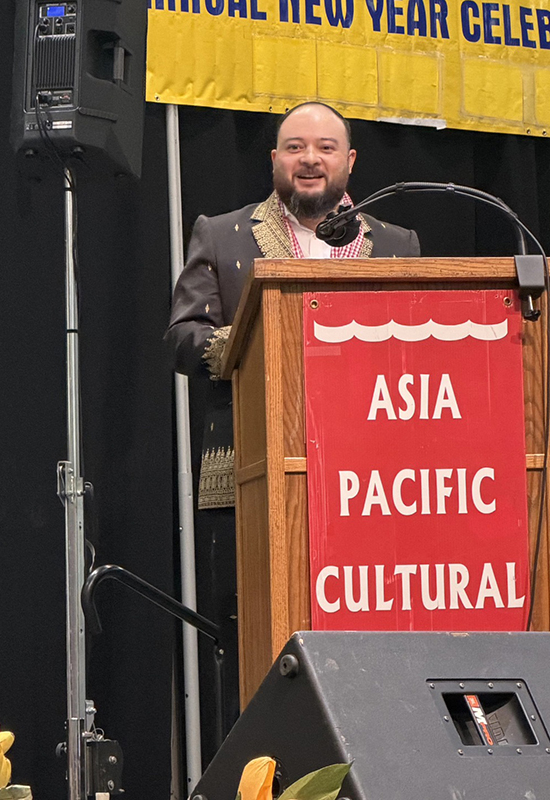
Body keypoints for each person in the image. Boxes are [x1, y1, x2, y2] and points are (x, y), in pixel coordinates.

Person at [165, 101, 420, 752]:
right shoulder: (223, 234)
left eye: (326, 148)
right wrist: (260, 340)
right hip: (249, 471)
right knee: (251, 637)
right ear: (274, 159)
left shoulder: (397, 244)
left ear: (349, 161)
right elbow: (182, 338)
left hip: (370, 479)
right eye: (296, 147)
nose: (310, 159)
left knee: (367, 636)